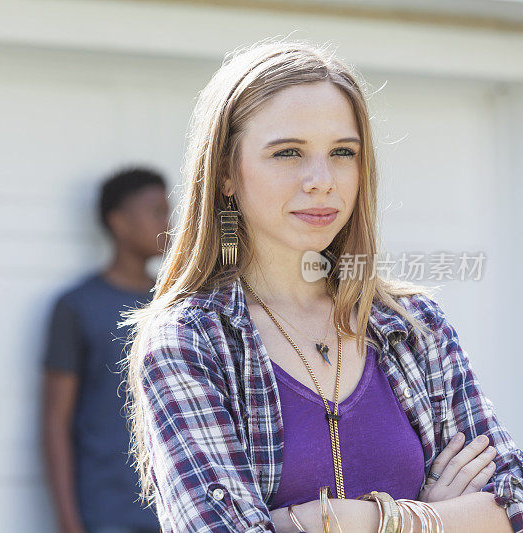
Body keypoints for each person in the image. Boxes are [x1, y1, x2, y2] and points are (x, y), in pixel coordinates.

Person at [119, 40, 523, 533]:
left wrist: (358, 520)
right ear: (226, 172)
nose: (321, 179)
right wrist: (439, 516)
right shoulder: (190, 342)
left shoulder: (413, 325)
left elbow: (512, 504)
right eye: (288, 152)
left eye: (343, 153)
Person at [41, 167, 170, 533]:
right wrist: (68, 521)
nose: (169, 222)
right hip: (105, 512)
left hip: (177, 507)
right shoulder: (76, 307)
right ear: (119, 222)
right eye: (157, 211)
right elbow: (55, 422)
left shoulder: (178, 306)